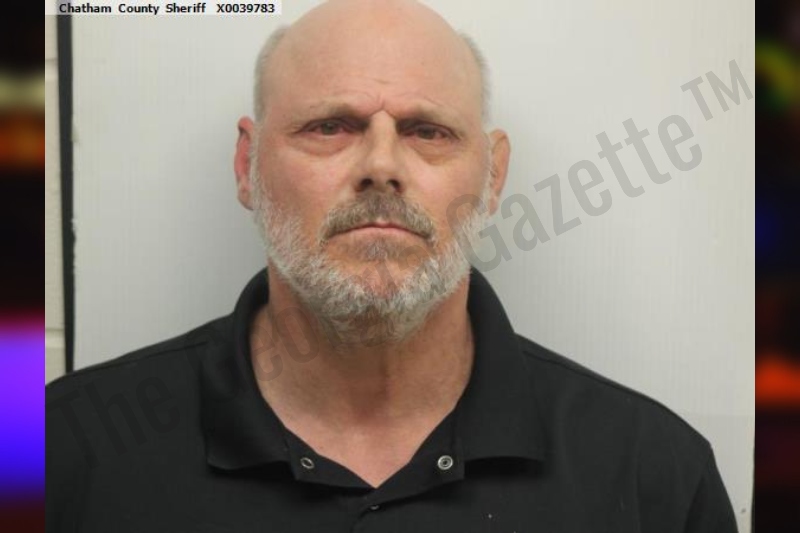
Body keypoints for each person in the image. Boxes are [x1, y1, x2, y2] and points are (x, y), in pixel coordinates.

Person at [46, 0, 739, 531]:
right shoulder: (60, 450)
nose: (381, 166)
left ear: (494, 176)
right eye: (330, 126)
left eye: (427, 131)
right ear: (247, 166)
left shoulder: (653, 475)